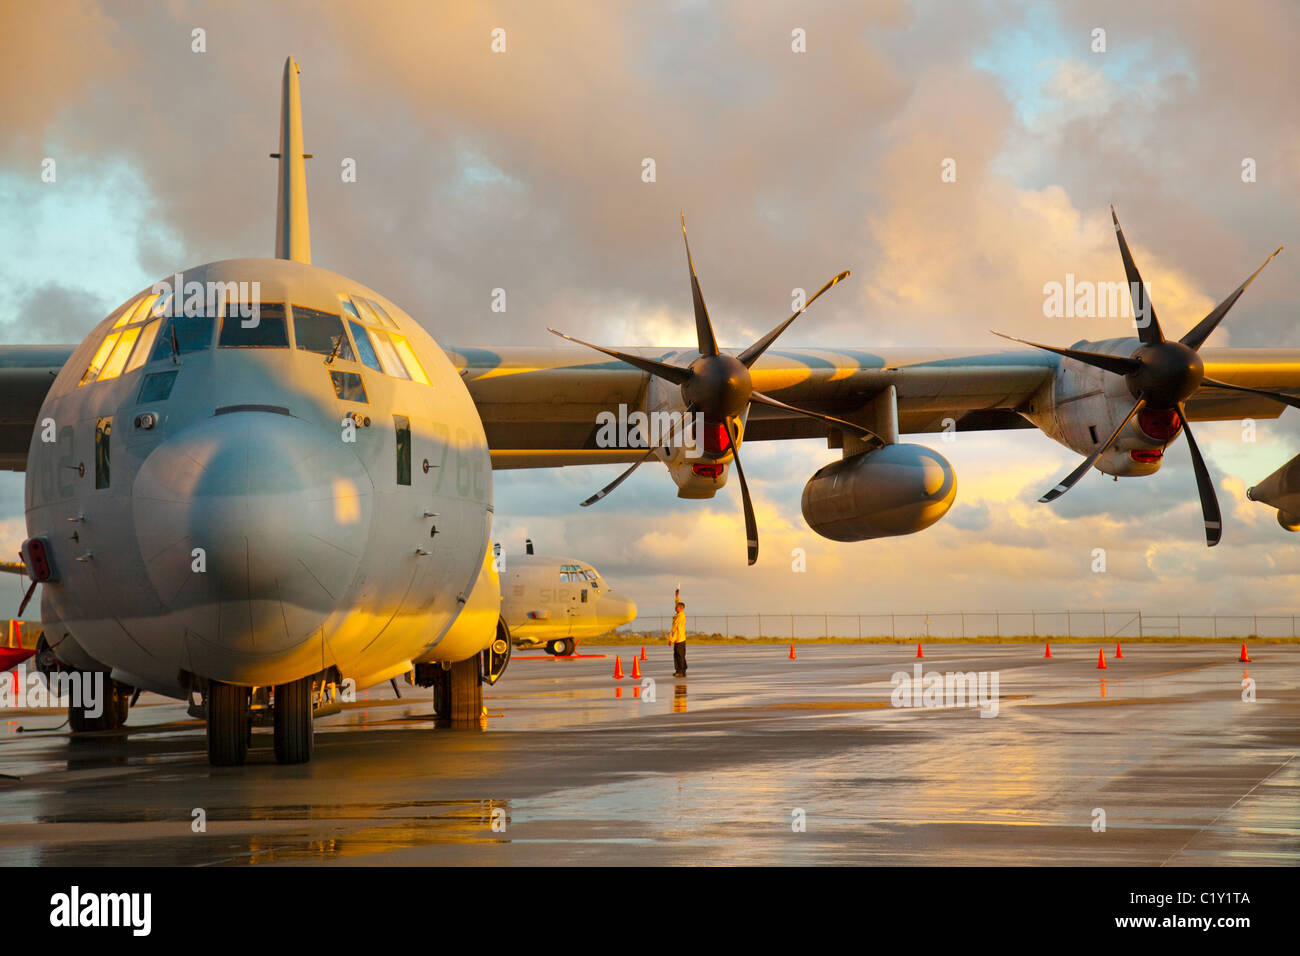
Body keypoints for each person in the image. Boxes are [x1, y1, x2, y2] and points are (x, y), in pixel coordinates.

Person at [668, 588, 687, 677]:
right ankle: (681, 669)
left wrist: (672, 639)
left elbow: (676, 629)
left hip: (679, 639)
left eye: (677, 607)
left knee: (679, 656)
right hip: (679, 639)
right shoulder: (679, 614)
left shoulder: (680, 617)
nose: (675, 607)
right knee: (679, 655)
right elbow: (678, 603)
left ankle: (681, 671)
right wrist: (677, 596)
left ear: (681, 608)